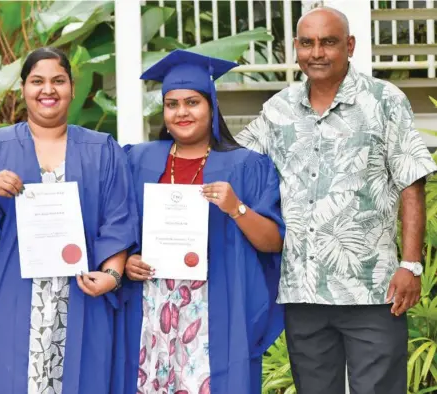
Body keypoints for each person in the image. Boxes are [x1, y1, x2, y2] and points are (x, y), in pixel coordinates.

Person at [235, 7, 437, 394]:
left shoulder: (383, 100)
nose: (317, 53)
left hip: (372, 290)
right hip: (302, 291)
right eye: (308, 43)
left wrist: (411, 264)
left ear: (350, 46)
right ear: (296, 48)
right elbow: (236, 161)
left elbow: (412, 181)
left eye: (328, 42)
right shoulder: (277, 110)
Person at [0, 47, 138, 394]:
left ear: (71, 87)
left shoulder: (102, 149)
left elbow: (118, 220)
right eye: (37, 81)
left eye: (58, 81)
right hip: (11, 293)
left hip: (83, 293)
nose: (47, 90)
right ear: (23, 88)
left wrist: (111, 275)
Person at [115, 50, 285, 394]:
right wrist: (125, 261)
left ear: (211, 107)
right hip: (152, 309)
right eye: (172, 103)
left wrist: (236, 207)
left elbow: (273, 243)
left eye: (192, 102)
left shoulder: (246, 166)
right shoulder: (137, 160)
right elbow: (117, 227)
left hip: (215, 310)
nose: (182, 112)